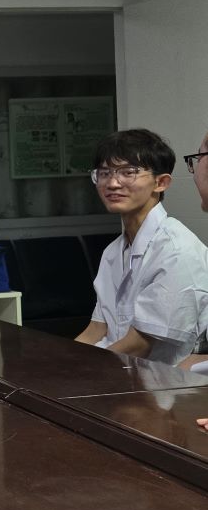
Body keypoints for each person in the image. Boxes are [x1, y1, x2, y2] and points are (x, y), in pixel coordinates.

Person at [75, 128, 208, 365]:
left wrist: (83, 370)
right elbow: (96, 328)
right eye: (104, 173)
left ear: (161, 182)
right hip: (114, 370)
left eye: (128, 172)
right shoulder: (113, 251)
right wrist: (62, 362)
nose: (112, 183)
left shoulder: (176, 250)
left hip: (160, 381)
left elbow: (141, 344)